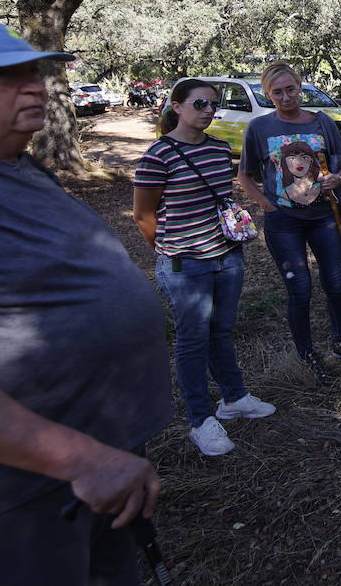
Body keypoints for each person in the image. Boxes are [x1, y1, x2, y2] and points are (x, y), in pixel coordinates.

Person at [0, 16, 170, 585]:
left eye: (34, 73)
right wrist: (80, 458)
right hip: (8, 491)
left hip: (89, 477)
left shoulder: (18, 166)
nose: (35, 86)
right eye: (6, 76)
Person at [132, 80, 274, 457]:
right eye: (200, 103)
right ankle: (199, 420)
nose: (209, 110)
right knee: (192, 341)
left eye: (214, 104)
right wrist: (171, 250)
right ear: (176, 107)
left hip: (226, 257)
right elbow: (143, 214)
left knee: (222, 331)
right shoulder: (158, 155)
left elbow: (221, 198)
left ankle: (233, 398)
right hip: (184, 264)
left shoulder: (218, 148)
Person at [239, 61, 341, 384]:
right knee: (300, 288)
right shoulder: (259, 128)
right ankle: (307, 353)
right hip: (284, 222)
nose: (285, 97)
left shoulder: (321, 122)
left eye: (290, 89)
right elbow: (245, 174)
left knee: (336, 282)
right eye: (277, 92)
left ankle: (340, 341)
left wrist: (339, 177)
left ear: (300, 86)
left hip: (324, 216)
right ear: (268, 94)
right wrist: (265, 203)